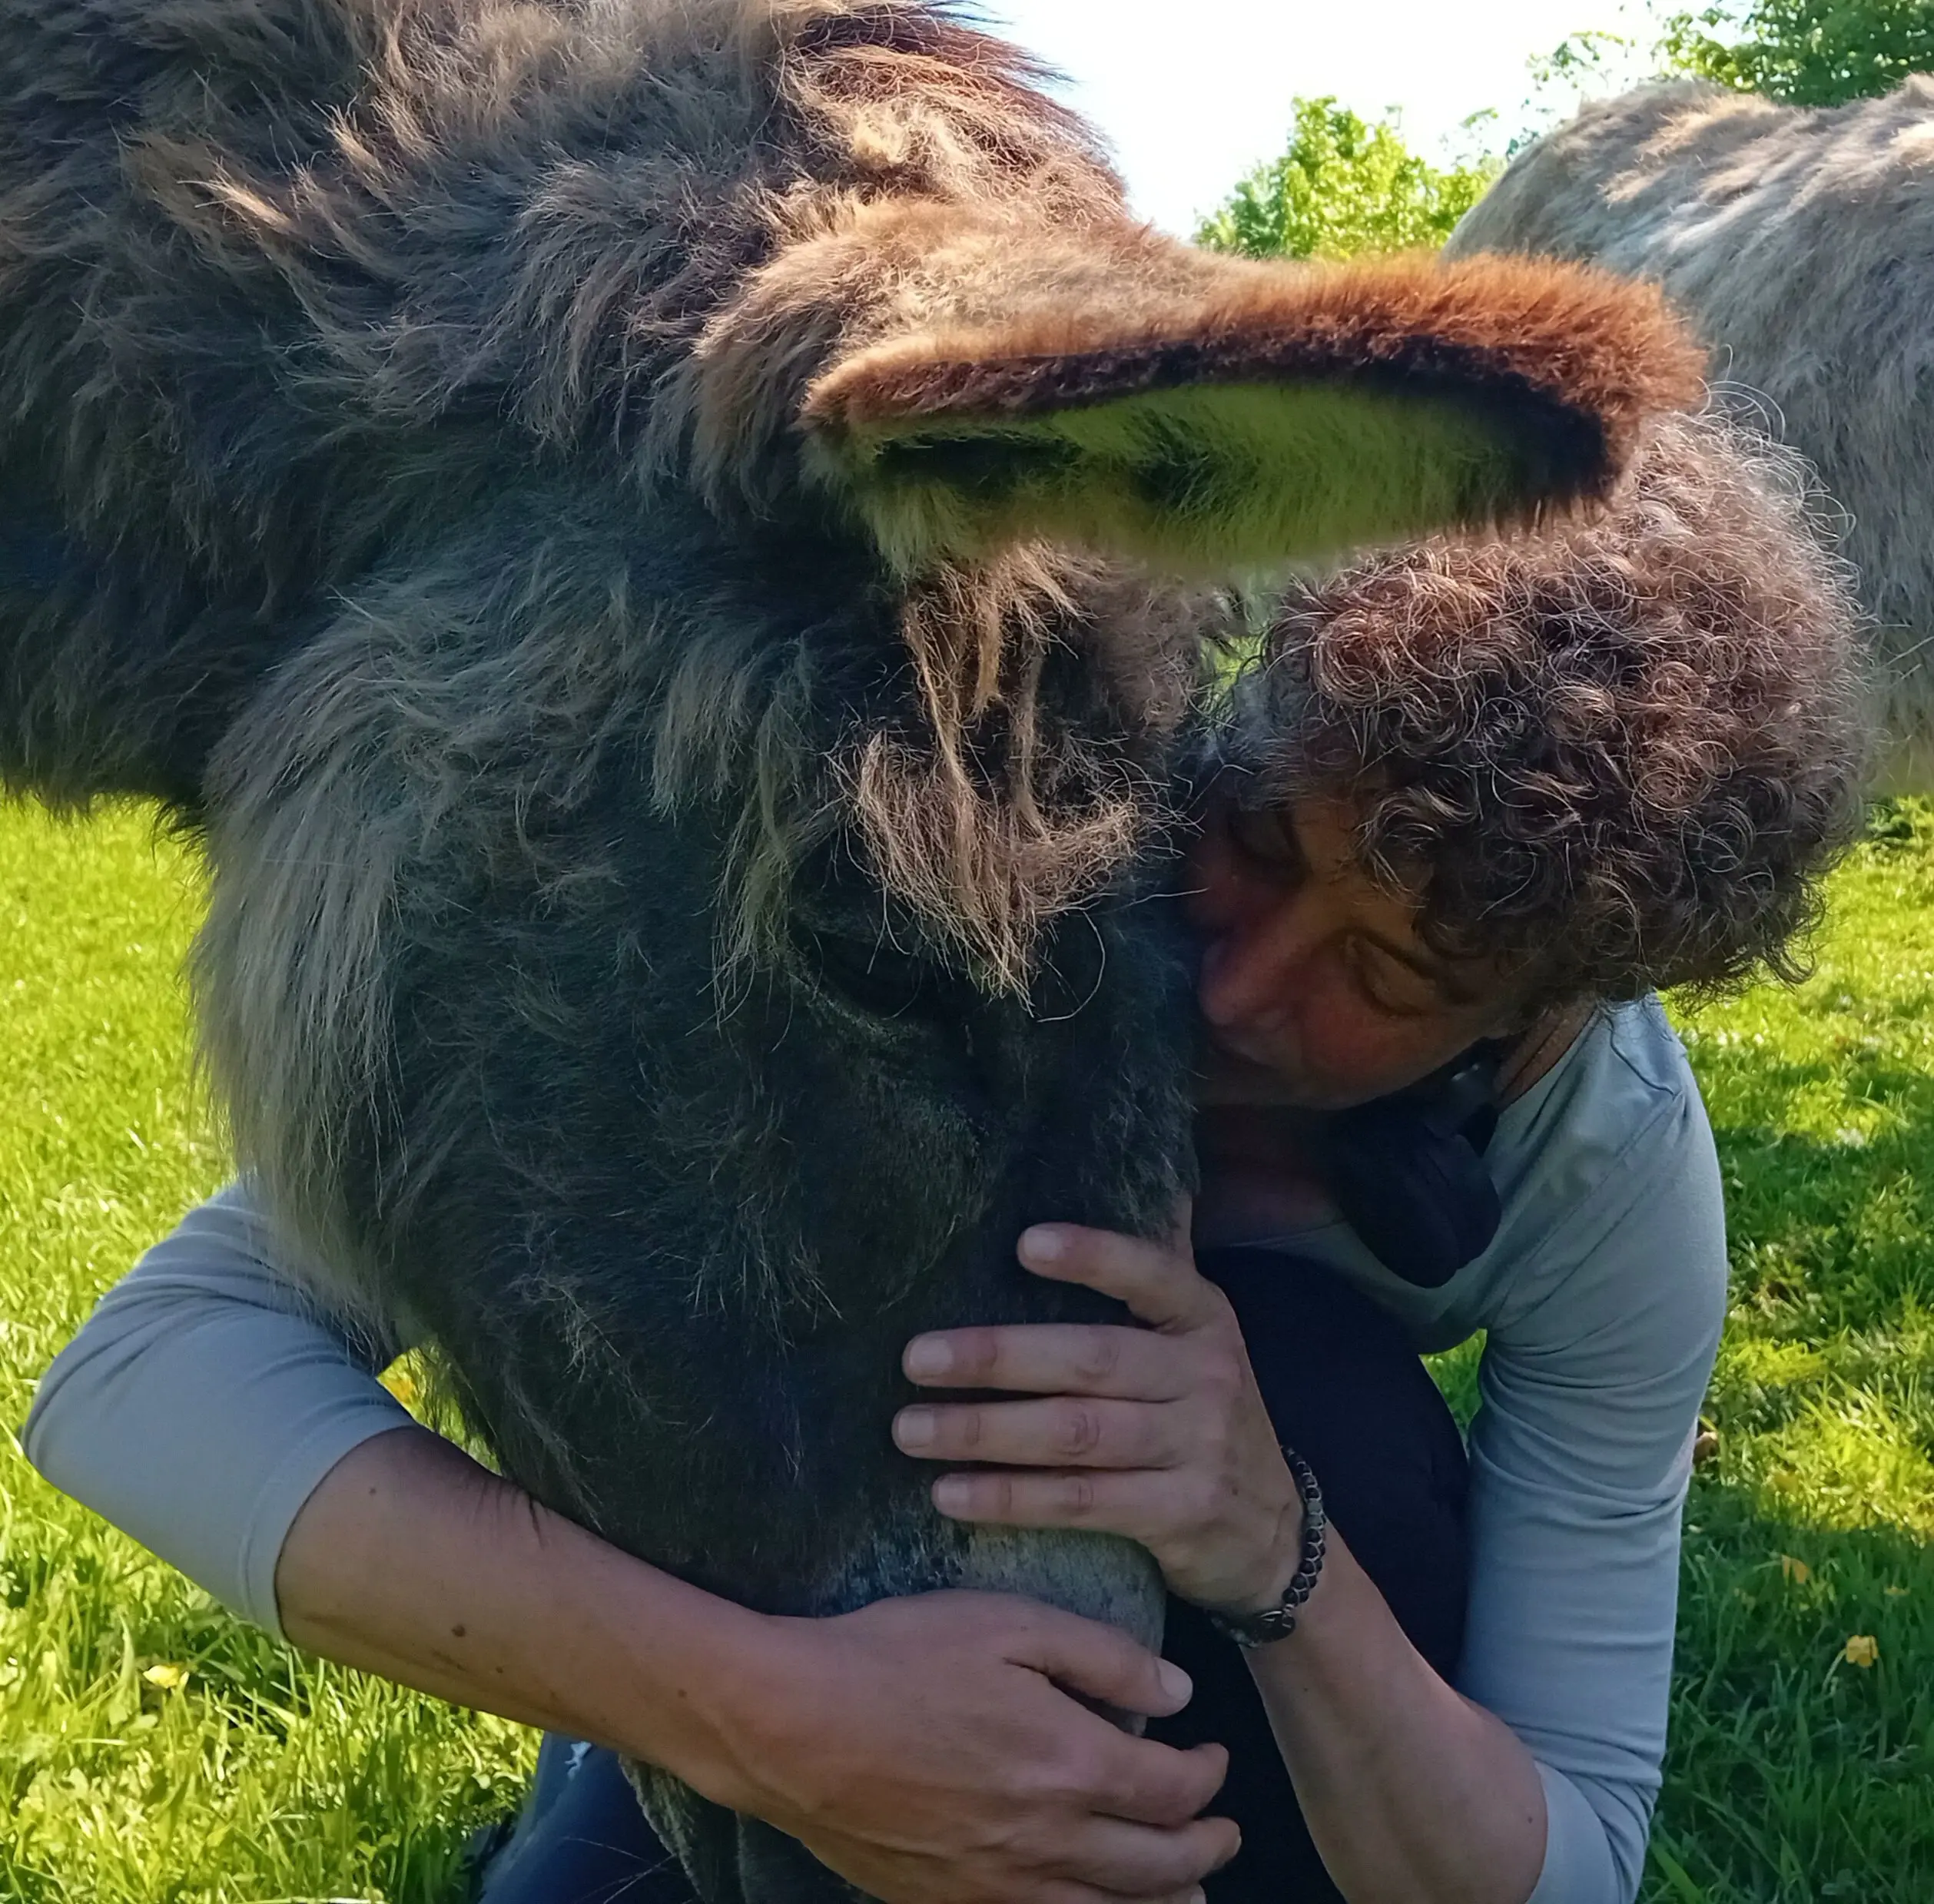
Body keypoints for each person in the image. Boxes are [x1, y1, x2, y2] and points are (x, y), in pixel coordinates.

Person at [22, 415, 1868, 1904]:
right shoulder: (946, 875)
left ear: (1539, 1015)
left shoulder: (1600, 1157)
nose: (1236, 983)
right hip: (767, 1570)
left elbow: (1561, 1864)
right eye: (1254, 841)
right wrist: (770, 1719)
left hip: (1240, 1625)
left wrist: (1271, 1548)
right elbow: (145, 1380)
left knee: (1336, 1410)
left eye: (1395, 975)